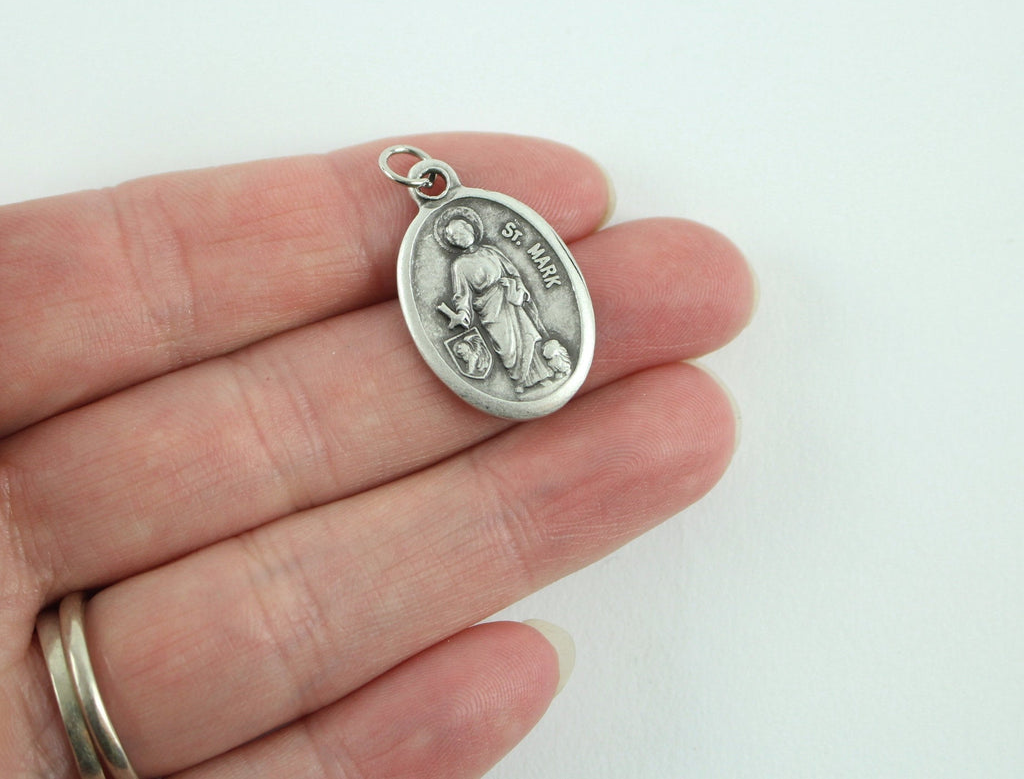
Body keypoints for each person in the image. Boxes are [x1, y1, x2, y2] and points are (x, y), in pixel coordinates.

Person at [0, 132, 755, 779]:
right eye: (459, 239)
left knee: (525, 345)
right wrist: (480, 306)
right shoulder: (457, 266)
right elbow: (474, 303)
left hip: (517, 315)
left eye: (464, 235)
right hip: (497, 320)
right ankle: (529, 369)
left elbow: (520, 288)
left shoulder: (482, 256)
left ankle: (534, 368)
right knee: (511, 349)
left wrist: (504, 302)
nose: (463, 241)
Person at [438, 207, 553, 394]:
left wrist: (515, 286)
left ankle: (542, 375)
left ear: (470, 229)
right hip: (489, 308)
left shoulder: (490, 251)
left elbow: (513, 272)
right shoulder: (459, 265)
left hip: (509, 298)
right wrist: (462, 313)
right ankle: (520, 382)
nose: (459, 238)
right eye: (454, 237)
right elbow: (462, 294)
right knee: (507, 348)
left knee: (526, 336)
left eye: (461, 231)